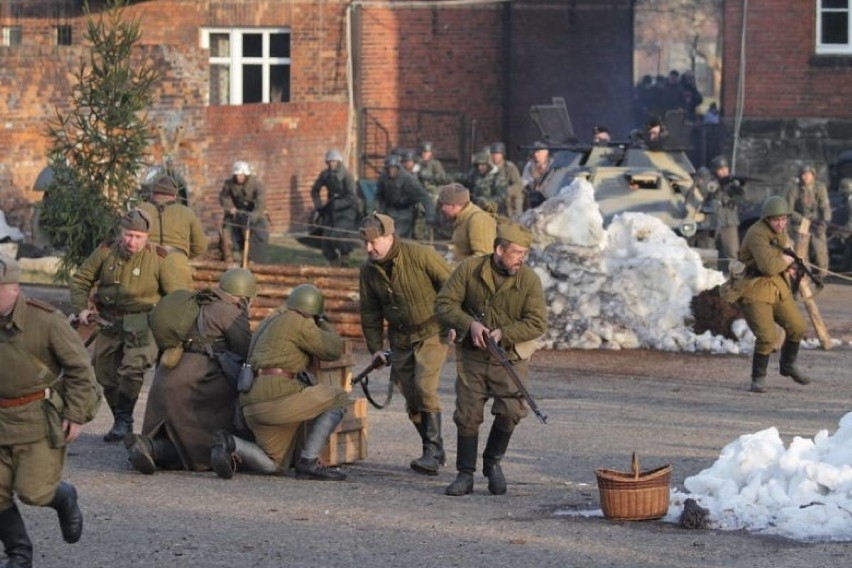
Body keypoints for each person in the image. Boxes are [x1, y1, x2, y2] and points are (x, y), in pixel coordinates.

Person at [0, 255, 102, 566]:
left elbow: (80, 368)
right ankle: (19, 555)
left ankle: (64, 496)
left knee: (35, 492)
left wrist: (75, 413)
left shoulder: (45, 320)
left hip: (37, 417)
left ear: (15, 288)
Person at [435, 223, 547, 496]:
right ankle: (465, 474)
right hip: (473, 357)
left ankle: (493, 462)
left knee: (512, 411)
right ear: (499, 249)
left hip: (509, 356)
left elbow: (537, 322)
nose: (522, 258)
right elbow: (444, 304)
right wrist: (470, 325)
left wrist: (504, 333)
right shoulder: (469, 270)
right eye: (517, 252)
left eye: (525, 253)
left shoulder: (529, 280)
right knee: (467, 415)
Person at [210, 284, 350, 481]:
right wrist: (323, 320)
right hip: (277, 399)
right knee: (339, 398)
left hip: (251, 403)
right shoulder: (299, 320)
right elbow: (333, 349)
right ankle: (308, 462)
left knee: (275, 464)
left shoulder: (269, 321)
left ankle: (231, 443)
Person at [125, 268, 256, 475]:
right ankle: (223, 449)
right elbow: (247, 351)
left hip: (164, 375)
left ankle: (149, 446)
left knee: (171, 436)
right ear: (245, 296)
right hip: (198, 382)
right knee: (235, 397)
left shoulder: (196, 302)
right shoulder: (231, 312)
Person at [70, 209, 181, 442]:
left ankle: (123, 420)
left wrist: (171, 332)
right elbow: (81, 279)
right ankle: (122, 418)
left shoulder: (159, 258)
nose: (132, 242)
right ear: (121, 232)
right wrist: (81, 308)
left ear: (146, 237)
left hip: (143, 321)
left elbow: (176, 297)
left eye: (138, 237)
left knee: (132, 369)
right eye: (129, 235)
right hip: (109, 320)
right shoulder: (106, 251)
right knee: (104, 374)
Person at [358, 213, 452, 475]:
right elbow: (370, 312)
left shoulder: (420, 255)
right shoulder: (368, 271)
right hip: (400, 339)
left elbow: (452, 286)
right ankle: (433, 448)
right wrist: (376, 347)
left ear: (389, 236)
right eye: (365, 243)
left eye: (374, 242)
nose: (369, 248)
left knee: (425, 386)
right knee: (411, 396)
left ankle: (432, 451)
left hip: (432, 331)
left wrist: (456, 321)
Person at [736, 196, 811, 394]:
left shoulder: (781, 232)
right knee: (767, 337)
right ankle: (758, 378)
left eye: (784, 219)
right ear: (767, 219)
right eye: (776, 220)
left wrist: (791, 266)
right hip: (754, 288)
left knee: (798, 326)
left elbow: (780, 258)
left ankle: (787, 365)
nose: (781, 224)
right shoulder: (756, 234)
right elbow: (768, 266)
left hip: (777, 285)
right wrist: (786, 260)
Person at [138, 175, 208, 290]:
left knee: (143, 304)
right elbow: (200, 246)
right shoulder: (187, 212)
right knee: (181, 304)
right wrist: (181, 255)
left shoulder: (140, 209)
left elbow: (125, 239)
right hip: (177, 265)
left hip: (145, 262)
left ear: (153, 193)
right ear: (174, 195)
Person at [310, 149, 360, 266]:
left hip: (347, 211)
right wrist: (319, 206)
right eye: (329, 162)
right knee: (326, 238)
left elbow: (352, 198)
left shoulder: (347, 176)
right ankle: (334, 262)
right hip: (331, 210)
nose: (331, 164)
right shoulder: (325, 175)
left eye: (334, 161)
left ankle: (345, 260)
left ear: (338, 162)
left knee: (340, 236)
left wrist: (337, 204)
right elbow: (314, 190)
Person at [786, 164, 832, 278]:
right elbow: (789, 210)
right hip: (802, 221)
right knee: (801, 251)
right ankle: (803, 277)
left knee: (819, 250)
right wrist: (802, 219)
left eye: (807, 174)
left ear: (813, 175)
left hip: (816, 221)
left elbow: (825, 206)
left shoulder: (820, 188)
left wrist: (825, 221)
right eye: (803, 174)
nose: (805, 177)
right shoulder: (794, 189)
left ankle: (820, 276)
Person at [219, 160, 269, 264]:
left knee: (260, 232)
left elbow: (261, 203)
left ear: (246, 175)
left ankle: (255, 259)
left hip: (255, 212)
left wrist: (253, 216)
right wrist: (229, 208)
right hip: (237, 212)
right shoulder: (229, 184)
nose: (239, 177)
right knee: (229, 228)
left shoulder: (257, 184)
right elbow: (224, 197)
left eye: (241, 175)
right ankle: (233, 255)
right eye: (237, 175)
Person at [374, 154, 435, 239]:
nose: (391, 171)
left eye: (393, 168)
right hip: (389, 210)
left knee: (399, 237)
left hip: (405, 212)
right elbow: (378, 196)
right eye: (389, 168)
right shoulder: (383, 178)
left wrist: (430, 214)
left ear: (398, 168)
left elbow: (424, 197)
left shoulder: (408, 179)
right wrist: (376, 211)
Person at [437, 183, 497, 263]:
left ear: (453, 205)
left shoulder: (478, 219)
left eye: (442, 205)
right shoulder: (461, 218)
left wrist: (455, 268)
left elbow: (483, 256)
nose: (441, 209)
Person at [708, 155, 745, 274]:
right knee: (712, 254)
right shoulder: (710, 181)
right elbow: (708, 192)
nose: (724, 172)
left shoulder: (731, 183)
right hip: (713, 221)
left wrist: (738, 186)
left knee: (732, 253)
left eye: (726, 169)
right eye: (721, 169)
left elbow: (741, 197)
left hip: (729, 221)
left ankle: (735, 280)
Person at [465, 151, 507, 216]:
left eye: (482, 165)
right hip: (475, 209)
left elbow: (501, 197)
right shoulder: (474, 175)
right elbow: (462, 178)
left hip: (493, 211)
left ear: (488, 165)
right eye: (478, 165)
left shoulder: (498, 177)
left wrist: (485, 200)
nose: (480, 167)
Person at [489, 142, 524, 218]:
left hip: (506, 199)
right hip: (491, 198)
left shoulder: (509, 167)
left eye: (498, 154)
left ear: (503, 155)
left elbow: (518, 185)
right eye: (493, 153)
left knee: (518, 196)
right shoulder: (487, 167)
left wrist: (505, 191)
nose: (495, 156)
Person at [521, 142, 552, 210]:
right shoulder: (530, 166)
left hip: (551, 196)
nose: (535, 154)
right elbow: (525, 182)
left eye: (538, 152)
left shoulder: (553, 164)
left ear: (546, 152)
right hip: (535, 199)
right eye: (534, 152)